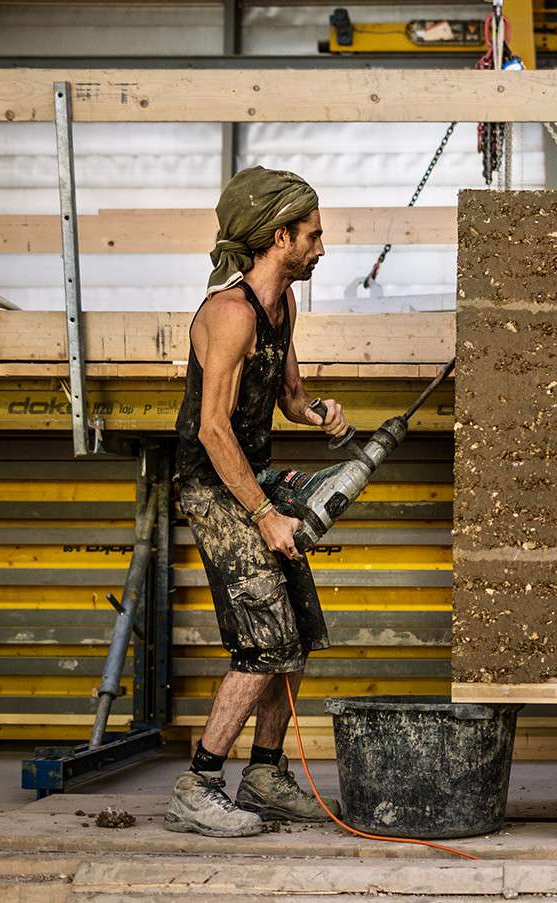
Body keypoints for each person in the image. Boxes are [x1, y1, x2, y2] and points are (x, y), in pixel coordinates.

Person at [165, 166, 347, 837]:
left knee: (298, 635)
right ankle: (199, 781)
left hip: (254, 476)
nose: (321, 249)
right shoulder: (230, 314)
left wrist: (318, 412)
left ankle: (264, 775)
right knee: (263, 639)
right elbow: (212, 428)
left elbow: (289, 399)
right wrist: (264, 513)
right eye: (313, 235)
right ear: (280, 236)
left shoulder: (281, 307)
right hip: (214, 489)